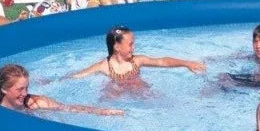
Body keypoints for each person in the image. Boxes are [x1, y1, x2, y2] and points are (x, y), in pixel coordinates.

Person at [70, 25, 206, 87]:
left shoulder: (137, 60)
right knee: (108, 95)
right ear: (117, 47)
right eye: (130, 44)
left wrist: (187, 63)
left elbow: (162, 61)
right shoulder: (103, 66)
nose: (134, 47)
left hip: (139, 88)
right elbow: (78, 76)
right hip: (116, 92)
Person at [0, 64, 124, 115]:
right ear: (4, 89)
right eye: (19, 89)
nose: (25, 93)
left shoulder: (36, 103)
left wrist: (102, 111)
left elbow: (69, 108)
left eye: (26, 88)